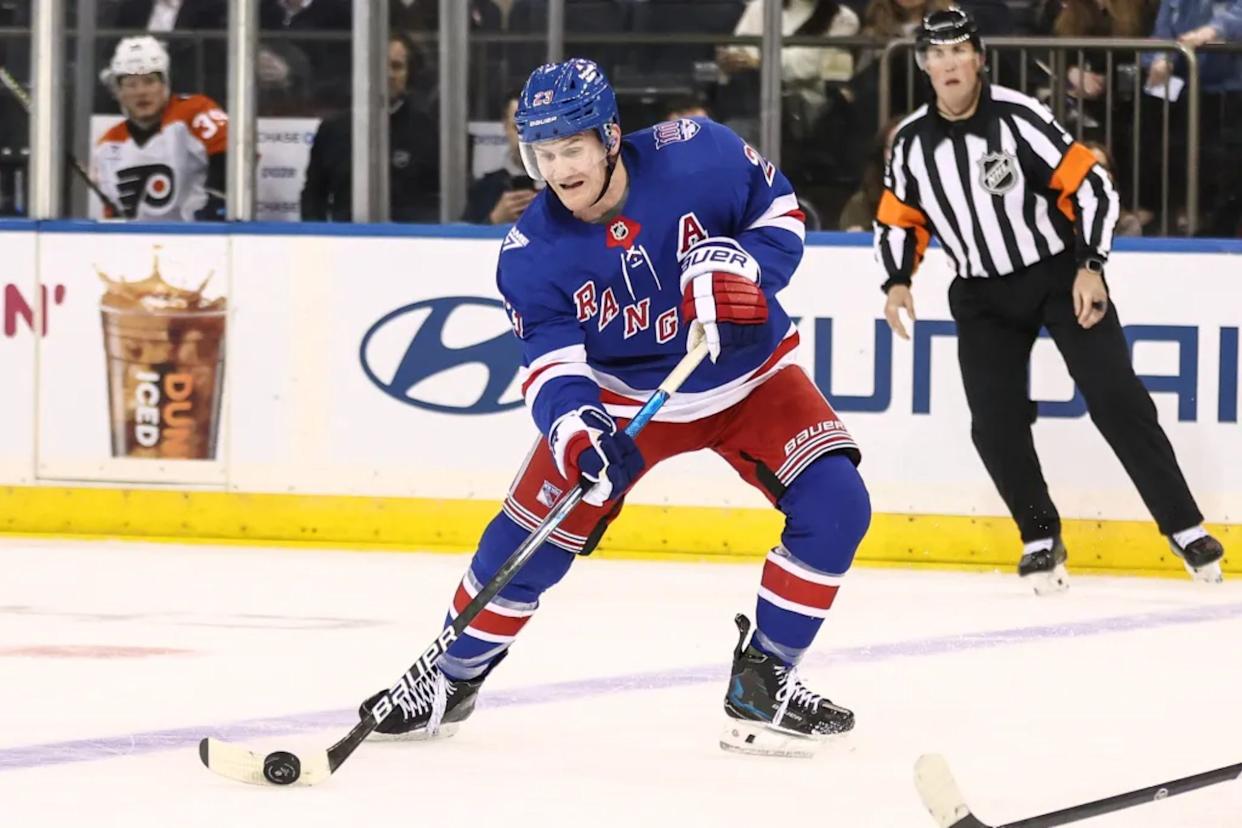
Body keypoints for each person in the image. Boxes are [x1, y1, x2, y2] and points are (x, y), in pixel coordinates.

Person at [359, 58, 871, 756]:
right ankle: (449, 679)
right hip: (623, 400)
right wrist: (578, 432)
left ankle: (765, 681)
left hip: (747, 371)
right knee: (527, 540)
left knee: (837, 504)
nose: (559, 169)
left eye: (571, 148)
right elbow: (550, 368)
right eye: (542, 154)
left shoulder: (701, 152)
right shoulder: (531, 254)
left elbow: (780, 212)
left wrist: (743, 268)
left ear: (608, 137)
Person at [874, 7, 1225, 593]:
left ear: (978, 58)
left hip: (1059, 276)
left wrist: (1090, 265)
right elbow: (898, 220)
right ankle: (1039, 537)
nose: (950, 63)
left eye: (960, 50)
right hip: (981, 293)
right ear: (924, 65)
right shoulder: (911, 142)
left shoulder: (1019, 117)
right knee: (994, 420)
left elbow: (1092, 186)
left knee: (1117, 398)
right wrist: (896, 281)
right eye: (937, 54)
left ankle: (1184, 527)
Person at [300, 33, 440, 223]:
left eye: (396, 66)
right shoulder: (333, 130)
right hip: (345, 242)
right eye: (379, 65)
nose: (388, 74)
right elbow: (313, 198)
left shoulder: (427, 130)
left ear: (409, 75)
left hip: (408, 244)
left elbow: (435, 201)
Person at [93, 36, 228, 221]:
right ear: (119, 93)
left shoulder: (195, 112)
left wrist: (218, 200)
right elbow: (112, 214)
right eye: (131, 84)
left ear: (165, 84)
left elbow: (235, 153)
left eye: (149, 81)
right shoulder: (108, 144)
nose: (141, 92)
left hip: (195, 240)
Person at [462, 90, 538, 225]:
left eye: (533, 127)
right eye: (518, 128)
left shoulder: (568, 185)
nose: (526, 138)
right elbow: (460, 242)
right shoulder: (484, 190)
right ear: (505, 126)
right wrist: (494, 220)